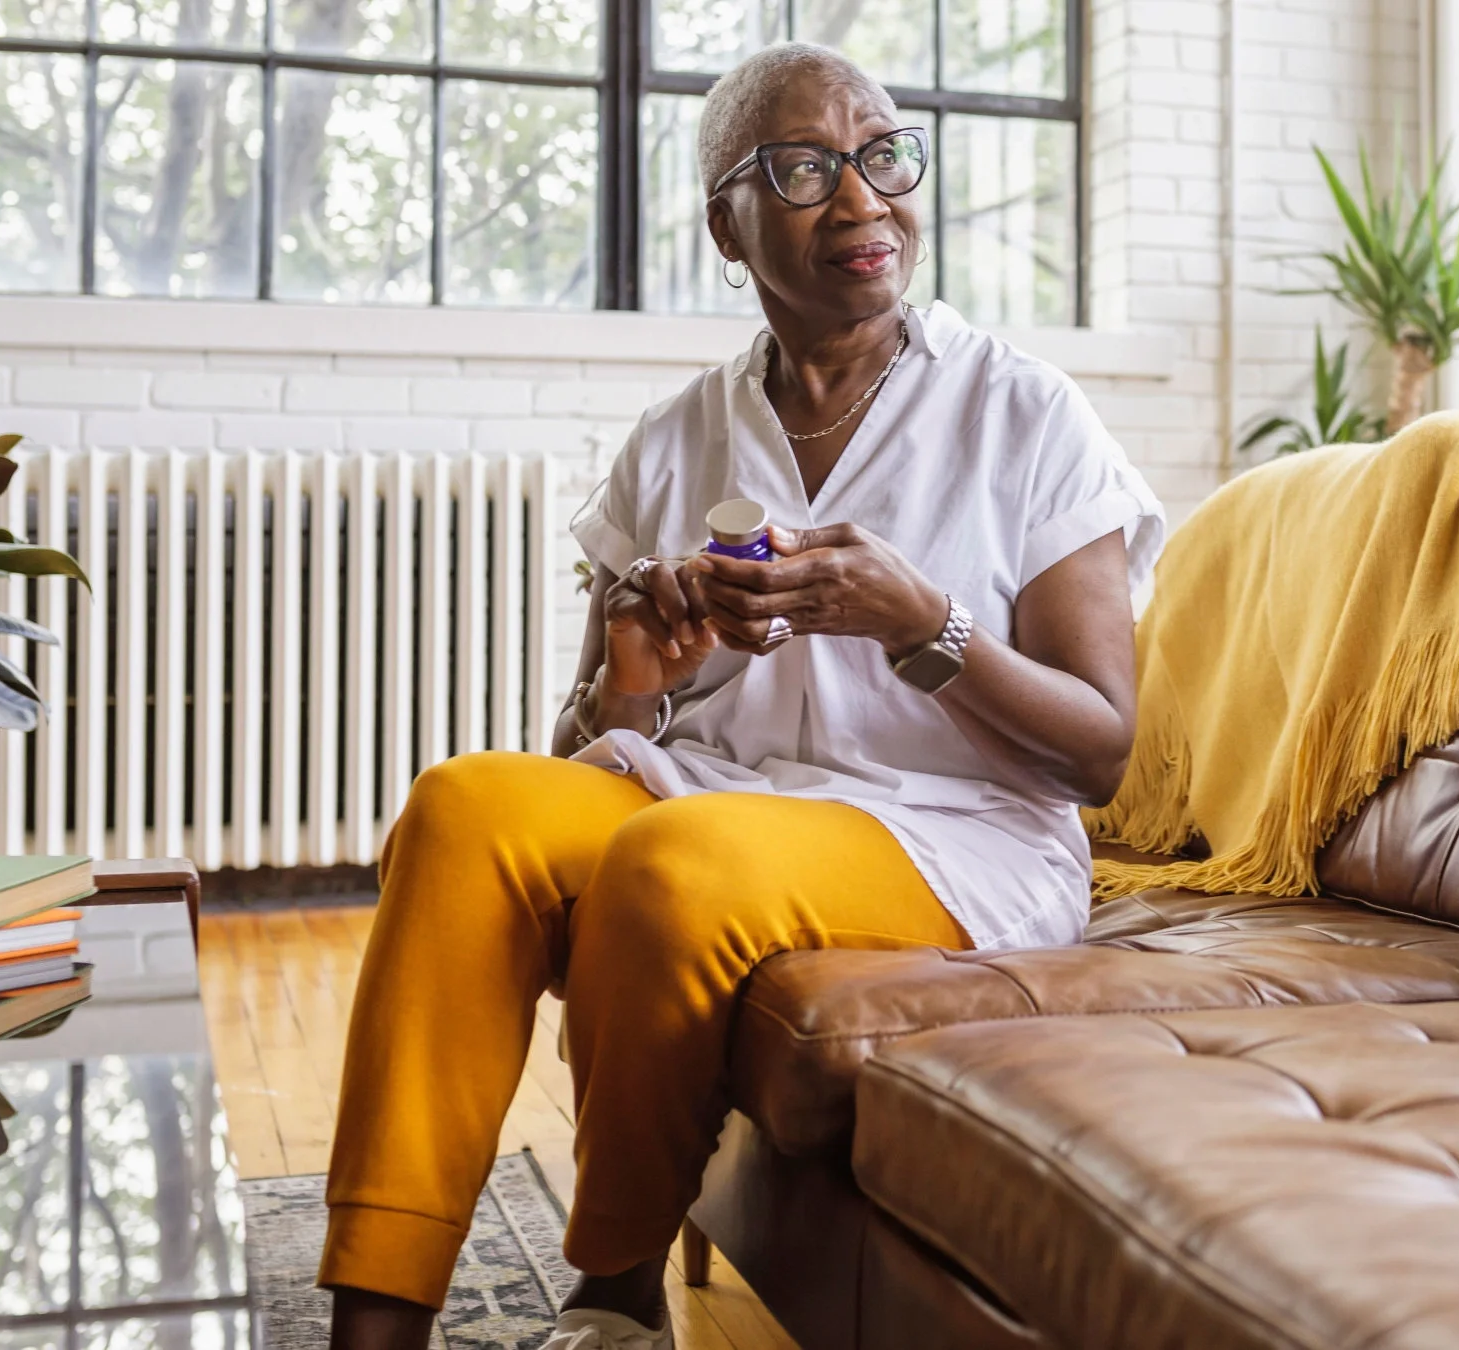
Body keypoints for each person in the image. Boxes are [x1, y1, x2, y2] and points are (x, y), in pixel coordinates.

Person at [320, 40, 1164, 1350]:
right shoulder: (673, 440)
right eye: (805, 168)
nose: (862, 198)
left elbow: (1101, 751)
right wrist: (633, 681)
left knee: (675, 856)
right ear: (728, 217)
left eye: (882, 154)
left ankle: (610, 1290)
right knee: (463, 804)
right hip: (708, 792)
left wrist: (925, 622)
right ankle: (372, 1320)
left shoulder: (1024, 414)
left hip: (954, 837)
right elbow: (583, 745)